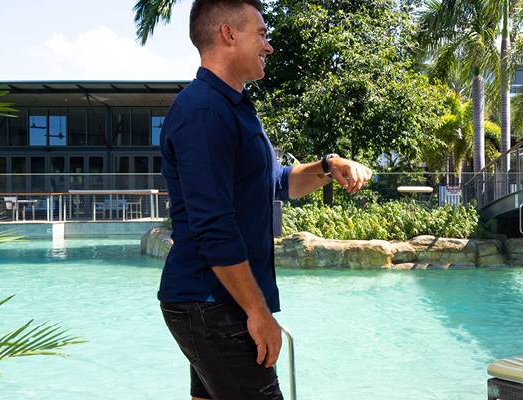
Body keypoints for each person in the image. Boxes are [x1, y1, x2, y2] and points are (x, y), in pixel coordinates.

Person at [156, 0, 373, 398]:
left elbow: (275, 183)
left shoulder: (234, 108)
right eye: (261, 33)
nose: (268, 45)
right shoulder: (203, 111)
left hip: (212, 301)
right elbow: (213, 225)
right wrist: (257, 312)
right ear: (228, 34)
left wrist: (327, 166)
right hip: (211, 301)